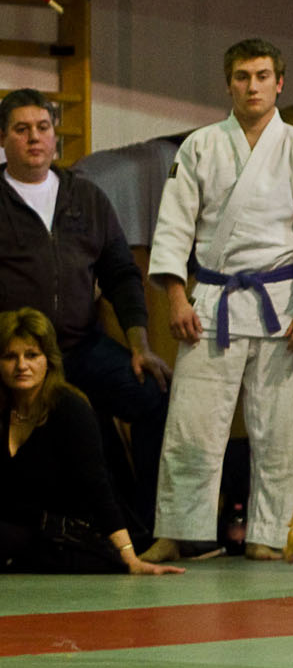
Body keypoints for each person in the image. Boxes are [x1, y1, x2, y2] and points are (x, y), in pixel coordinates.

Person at [142, 38, 293, 563]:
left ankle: (270, 532)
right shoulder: (201, 146)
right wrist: (176, 295)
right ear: (228, 83)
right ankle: (179, 528)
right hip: (211, 298)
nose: (251, 86)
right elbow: (173, 226)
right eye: (241, 77)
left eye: (261, 76)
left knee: (278, 430)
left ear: (280, 82)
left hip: (280, 301)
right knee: (191, 423)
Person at [0, 89, 172, 535]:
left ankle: (147, 528)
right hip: (16, 355)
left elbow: (121, 274)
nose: (34, 138)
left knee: (151, 395)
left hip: (80, 346)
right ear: (4, 139)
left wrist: (140, 345)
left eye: (42, 128)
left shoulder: (86, 197)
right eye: (22, 130)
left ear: (56, 137)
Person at [1, 307, 182, 576]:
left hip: (71, 538)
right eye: (10, 357)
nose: (21, 366)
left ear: (48, 360)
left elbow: (99, 487)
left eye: (32, 355)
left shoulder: (69, 407)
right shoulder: (4, 410)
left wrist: (130, 558)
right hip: (18, 532)